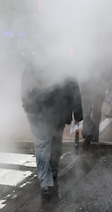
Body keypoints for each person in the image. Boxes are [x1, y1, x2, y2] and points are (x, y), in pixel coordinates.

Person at [21, 42, 83, 201]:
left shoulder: (33, 63)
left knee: (42, 145)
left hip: (37, 112)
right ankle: (53, 173)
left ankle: (45, 183)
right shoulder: (66, 64)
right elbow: (74, 90)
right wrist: (78, 115)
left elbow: (25, 87)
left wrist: (27, 106)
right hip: (58, 112)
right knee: (55, 142)